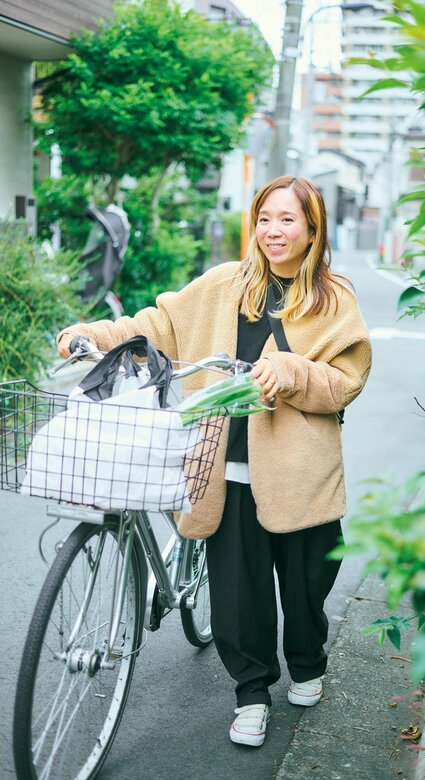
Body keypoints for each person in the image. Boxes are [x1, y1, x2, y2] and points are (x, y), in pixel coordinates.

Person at [57, 175, 372, 748]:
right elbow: (155, 324)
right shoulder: (226, 283)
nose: (273, 231)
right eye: (265, 218)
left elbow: (347, 381)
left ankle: (307, 659)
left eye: (288, 220)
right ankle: (250, 692)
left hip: (301, 473)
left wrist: (295, 372)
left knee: (305, 591)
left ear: (312, 230)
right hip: (224, 469)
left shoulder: (333, 298)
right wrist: (94, 333)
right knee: (237, 595)